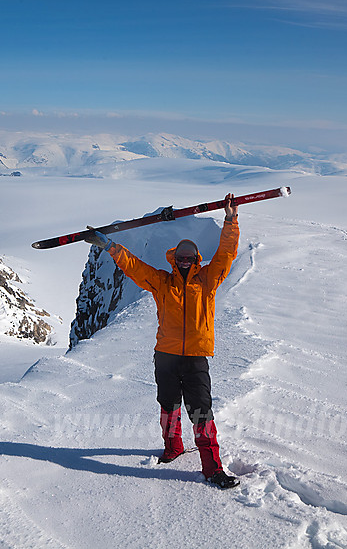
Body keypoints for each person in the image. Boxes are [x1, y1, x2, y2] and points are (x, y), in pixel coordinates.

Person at [84, 193, 241, 489]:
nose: (183, 263)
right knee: (168, 407)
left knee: (201, 411)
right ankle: (173, 448)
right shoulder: (161, 282)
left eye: (189, 259)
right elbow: (134, 267)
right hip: (165, 356)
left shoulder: (207, 281)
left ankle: (212, 469)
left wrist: (230, 219)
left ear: (196, 261)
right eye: (179, 258)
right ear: (174, 260)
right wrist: (109, 246)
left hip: (196, 358)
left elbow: (226, 254)